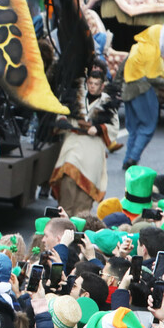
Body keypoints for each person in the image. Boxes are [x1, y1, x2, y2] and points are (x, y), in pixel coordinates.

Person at [50, 67, 120, 216]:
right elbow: (62, 114)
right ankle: (64, 217)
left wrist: (100, 128)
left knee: (85, 194)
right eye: (90, 83)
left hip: (93, 148)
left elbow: (114, 128)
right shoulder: (75, 99)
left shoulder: (108, 104)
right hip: (73, 143)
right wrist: (62, 121)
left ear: (102, 86)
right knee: (67, 177)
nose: (92, 86)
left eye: (96, 83)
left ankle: (79, 223)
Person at [120, 23, 164, 169]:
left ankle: (128, 159)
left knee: (132, 129)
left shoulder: (136, 47)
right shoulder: (153, 52)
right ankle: (133, 157)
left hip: (127, 90)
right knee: (147, 126)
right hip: (143, 91)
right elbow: (153, 78)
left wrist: (115, 86)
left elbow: (122, 67)